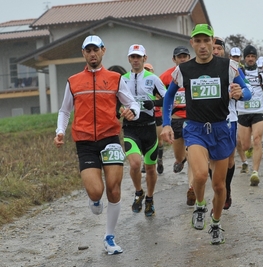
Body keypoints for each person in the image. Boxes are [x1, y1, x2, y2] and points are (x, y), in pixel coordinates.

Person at [161, 24, 249, 245]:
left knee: (219, 186)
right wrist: (166, 124)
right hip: (196, 130)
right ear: (192, 44)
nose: (202, 45)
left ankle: (216, 223)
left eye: (206, 41)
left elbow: (246, 90)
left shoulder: (229, 66)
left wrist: (241, 93)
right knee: (200, 175)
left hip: (221, 129)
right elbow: (168, 98)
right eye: (197, 41)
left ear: (213, 42)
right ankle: (200, 205)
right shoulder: (183, 70)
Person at [53, 35, 140, 255]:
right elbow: (65, 110)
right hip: (85, 142)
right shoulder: (73, 81)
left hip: (110, 138)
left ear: (103, 51)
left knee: (114, 188)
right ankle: (94, 201)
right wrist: (60, 131)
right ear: (83, 53)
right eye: (88, 50)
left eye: (96, 50)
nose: (92, 54)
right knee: (95, 191)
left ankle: (109, 238)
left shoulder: (115, 78)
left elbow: (132, 103)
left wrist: (132, 112)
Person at [121, 44, 167, 217]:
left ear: (144, 59)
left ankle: (149, 198)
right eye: (132, 57)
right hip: (131, 128)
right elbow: (116, 102)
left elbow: (166, 98)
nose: (135, 60)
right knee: (134, 164)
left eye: (138, 57)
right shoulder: (122, 79)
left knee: (150, 169)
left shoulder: (153, 79)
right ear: (129, 59)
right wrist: (121, 110)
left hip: (149, 128)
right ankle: (138, 192)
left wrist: (153, 103)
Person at [212, 37, 251, 210]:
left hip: (229, 118)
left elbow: (248, 91)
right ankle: (218, 192)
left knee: (227, 161)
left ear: (223, 51)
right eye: (212, 48)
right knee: (210, 161)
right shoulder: (196, 68)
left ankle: (226, 189)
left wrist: (240, 93)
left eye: (218, 48)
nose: (215, 51)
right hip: (204, 120)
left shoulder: (232, 68)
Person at [159, 45, 195, 205]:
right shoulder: (166, 77)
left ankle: (191, 188)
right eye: (179, 57)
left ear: (189, 58)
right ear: (174, 59)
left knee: (194, 153)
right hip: (176, 120)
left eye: (185, 56)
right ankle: (182, 160)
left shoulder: (195, 73)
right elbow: (161, 98)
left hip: (193, 119)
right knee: (180, 157)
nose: (182, 59)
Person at [237, 44, 263, 186]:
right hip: (243, 110)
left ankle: (255, 172)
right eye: (248, 56)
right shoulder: (238, 72)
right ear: (244, 58)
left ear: (256, 58)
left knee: (257, 139)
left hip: (259, 110)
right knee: (245, 145)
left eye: (253, 56)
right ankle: (249, 148)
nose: (250, 59)